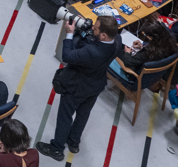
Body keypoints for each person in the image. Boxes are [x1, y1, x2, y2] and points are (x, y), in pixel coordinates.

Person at [38, 14, 119, 159]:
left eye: (95, 29)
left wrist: (70, 34)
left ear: (104, 35)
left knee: (65, 116)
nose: (93, 29)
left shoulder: (92, 52)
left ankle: (56, 149)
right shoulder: (116, 41)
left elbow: (67, 56)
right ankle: (73, 142)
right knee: (83, 114)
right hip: (96, 85)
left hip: (77, 86)